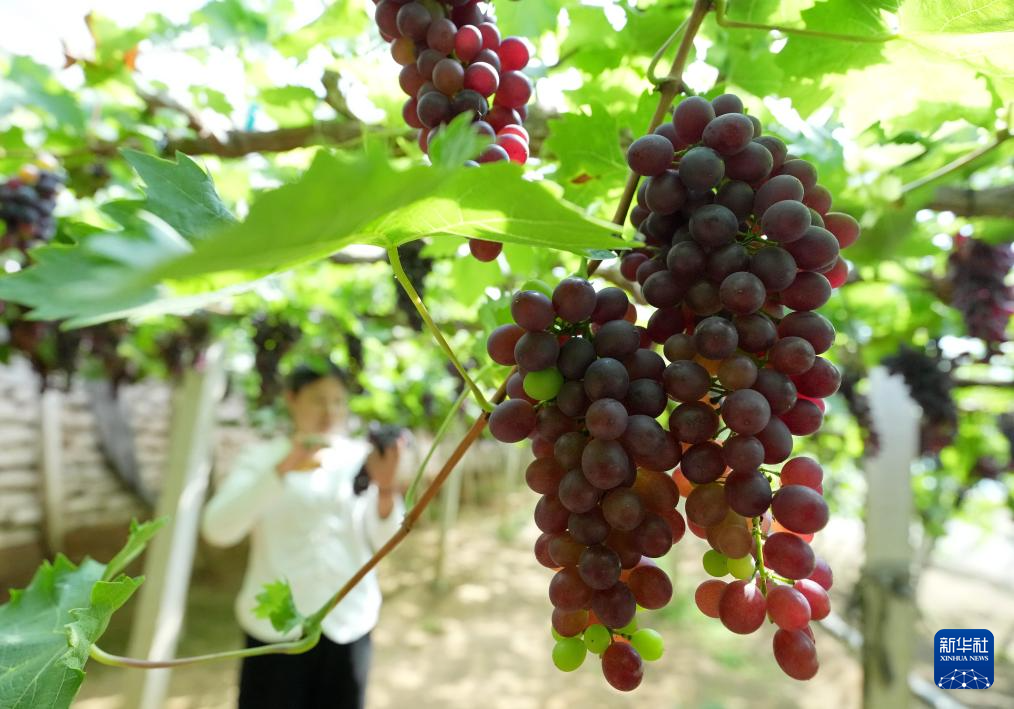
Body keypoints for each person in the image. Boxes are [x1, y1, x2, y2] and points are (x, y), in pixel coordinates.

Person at [201, 360, 404, 709]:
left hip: (348, 621)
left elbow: (384, 540)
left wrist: (386, 489)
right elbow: (218, 529)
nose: (330, 411)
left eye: (338, 401)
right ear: (291, 398)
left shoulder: (360, 460)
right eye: (318, 399)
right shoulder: (262, 458)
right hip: (275, 629)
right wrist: (283, 468)